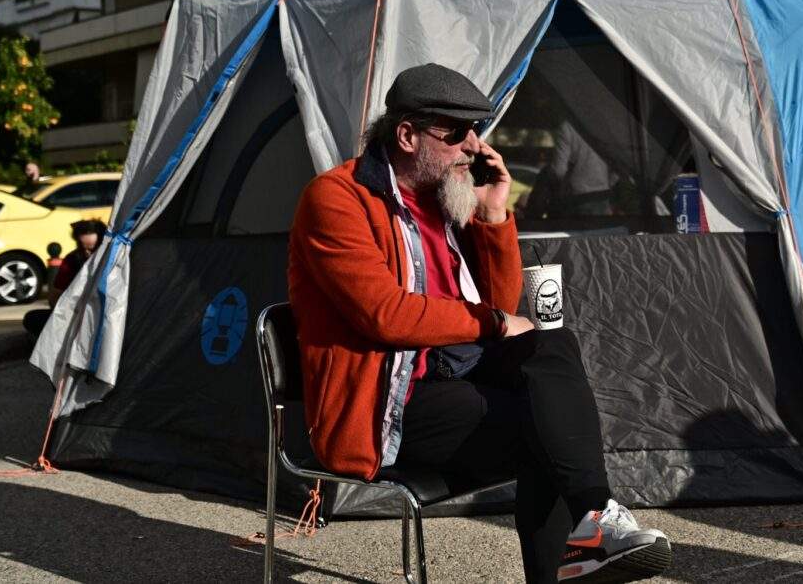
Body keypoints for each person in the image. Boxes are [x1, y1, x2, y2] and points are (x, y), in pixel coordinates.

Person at [287, 63, 670, 584]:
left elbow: (497, 301)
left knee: (551, 348)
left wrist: (493, 216)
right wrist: (493, 322)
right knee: (547, 430)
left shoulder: (446, 196)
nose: (473, 146)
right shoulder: (337, 199)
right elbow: (385, 315)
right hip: (387, 401)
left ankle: (595, 519)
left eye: (475, 131)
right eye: (456, 133)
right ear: (407, 136)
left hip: (455, 375)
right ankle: (581, 545)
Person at [22, 219, 106, 338]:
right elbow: (56, 295)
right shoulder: (72, 260)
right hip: (74, 314)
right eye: (83, 249)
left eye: (92, 249)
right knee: (32, 318)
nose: (88, 254)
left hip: (102, 315)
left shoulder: (111, 260)